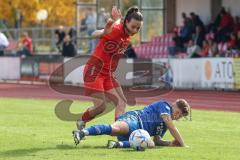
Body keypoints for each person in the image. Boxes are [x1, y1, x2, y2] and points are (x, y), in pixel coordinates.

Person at [75, 6, 143, 131]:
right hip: (94, 70)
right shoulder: (116, 29)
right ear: (126, 22)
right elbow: (94, 34)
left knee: (122, 102)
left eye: (138, 28)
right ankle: (81, 120)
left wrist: (117, 20)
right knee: (101, 107)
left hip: (108, 73)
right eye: (133, 26)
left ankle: (119, 133)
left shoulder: (126, 35)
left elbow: (118, 24)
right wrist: (103, 32)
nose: (135, 30)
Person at [73, 99, 190, 148]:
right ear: (173, 105)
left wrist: (171, 143)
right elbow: (172, 127)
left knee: (150, 144)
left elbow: (157, 140)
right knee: (115, 130)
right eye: (178, 113)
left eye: (179, 116)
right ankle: (82, 132)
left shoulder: (165, 123)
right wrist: (183, 144)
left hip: (137, 135)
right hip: (134, 119)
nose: (177, 116)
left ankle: (117, 145)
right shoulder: (164, 106)